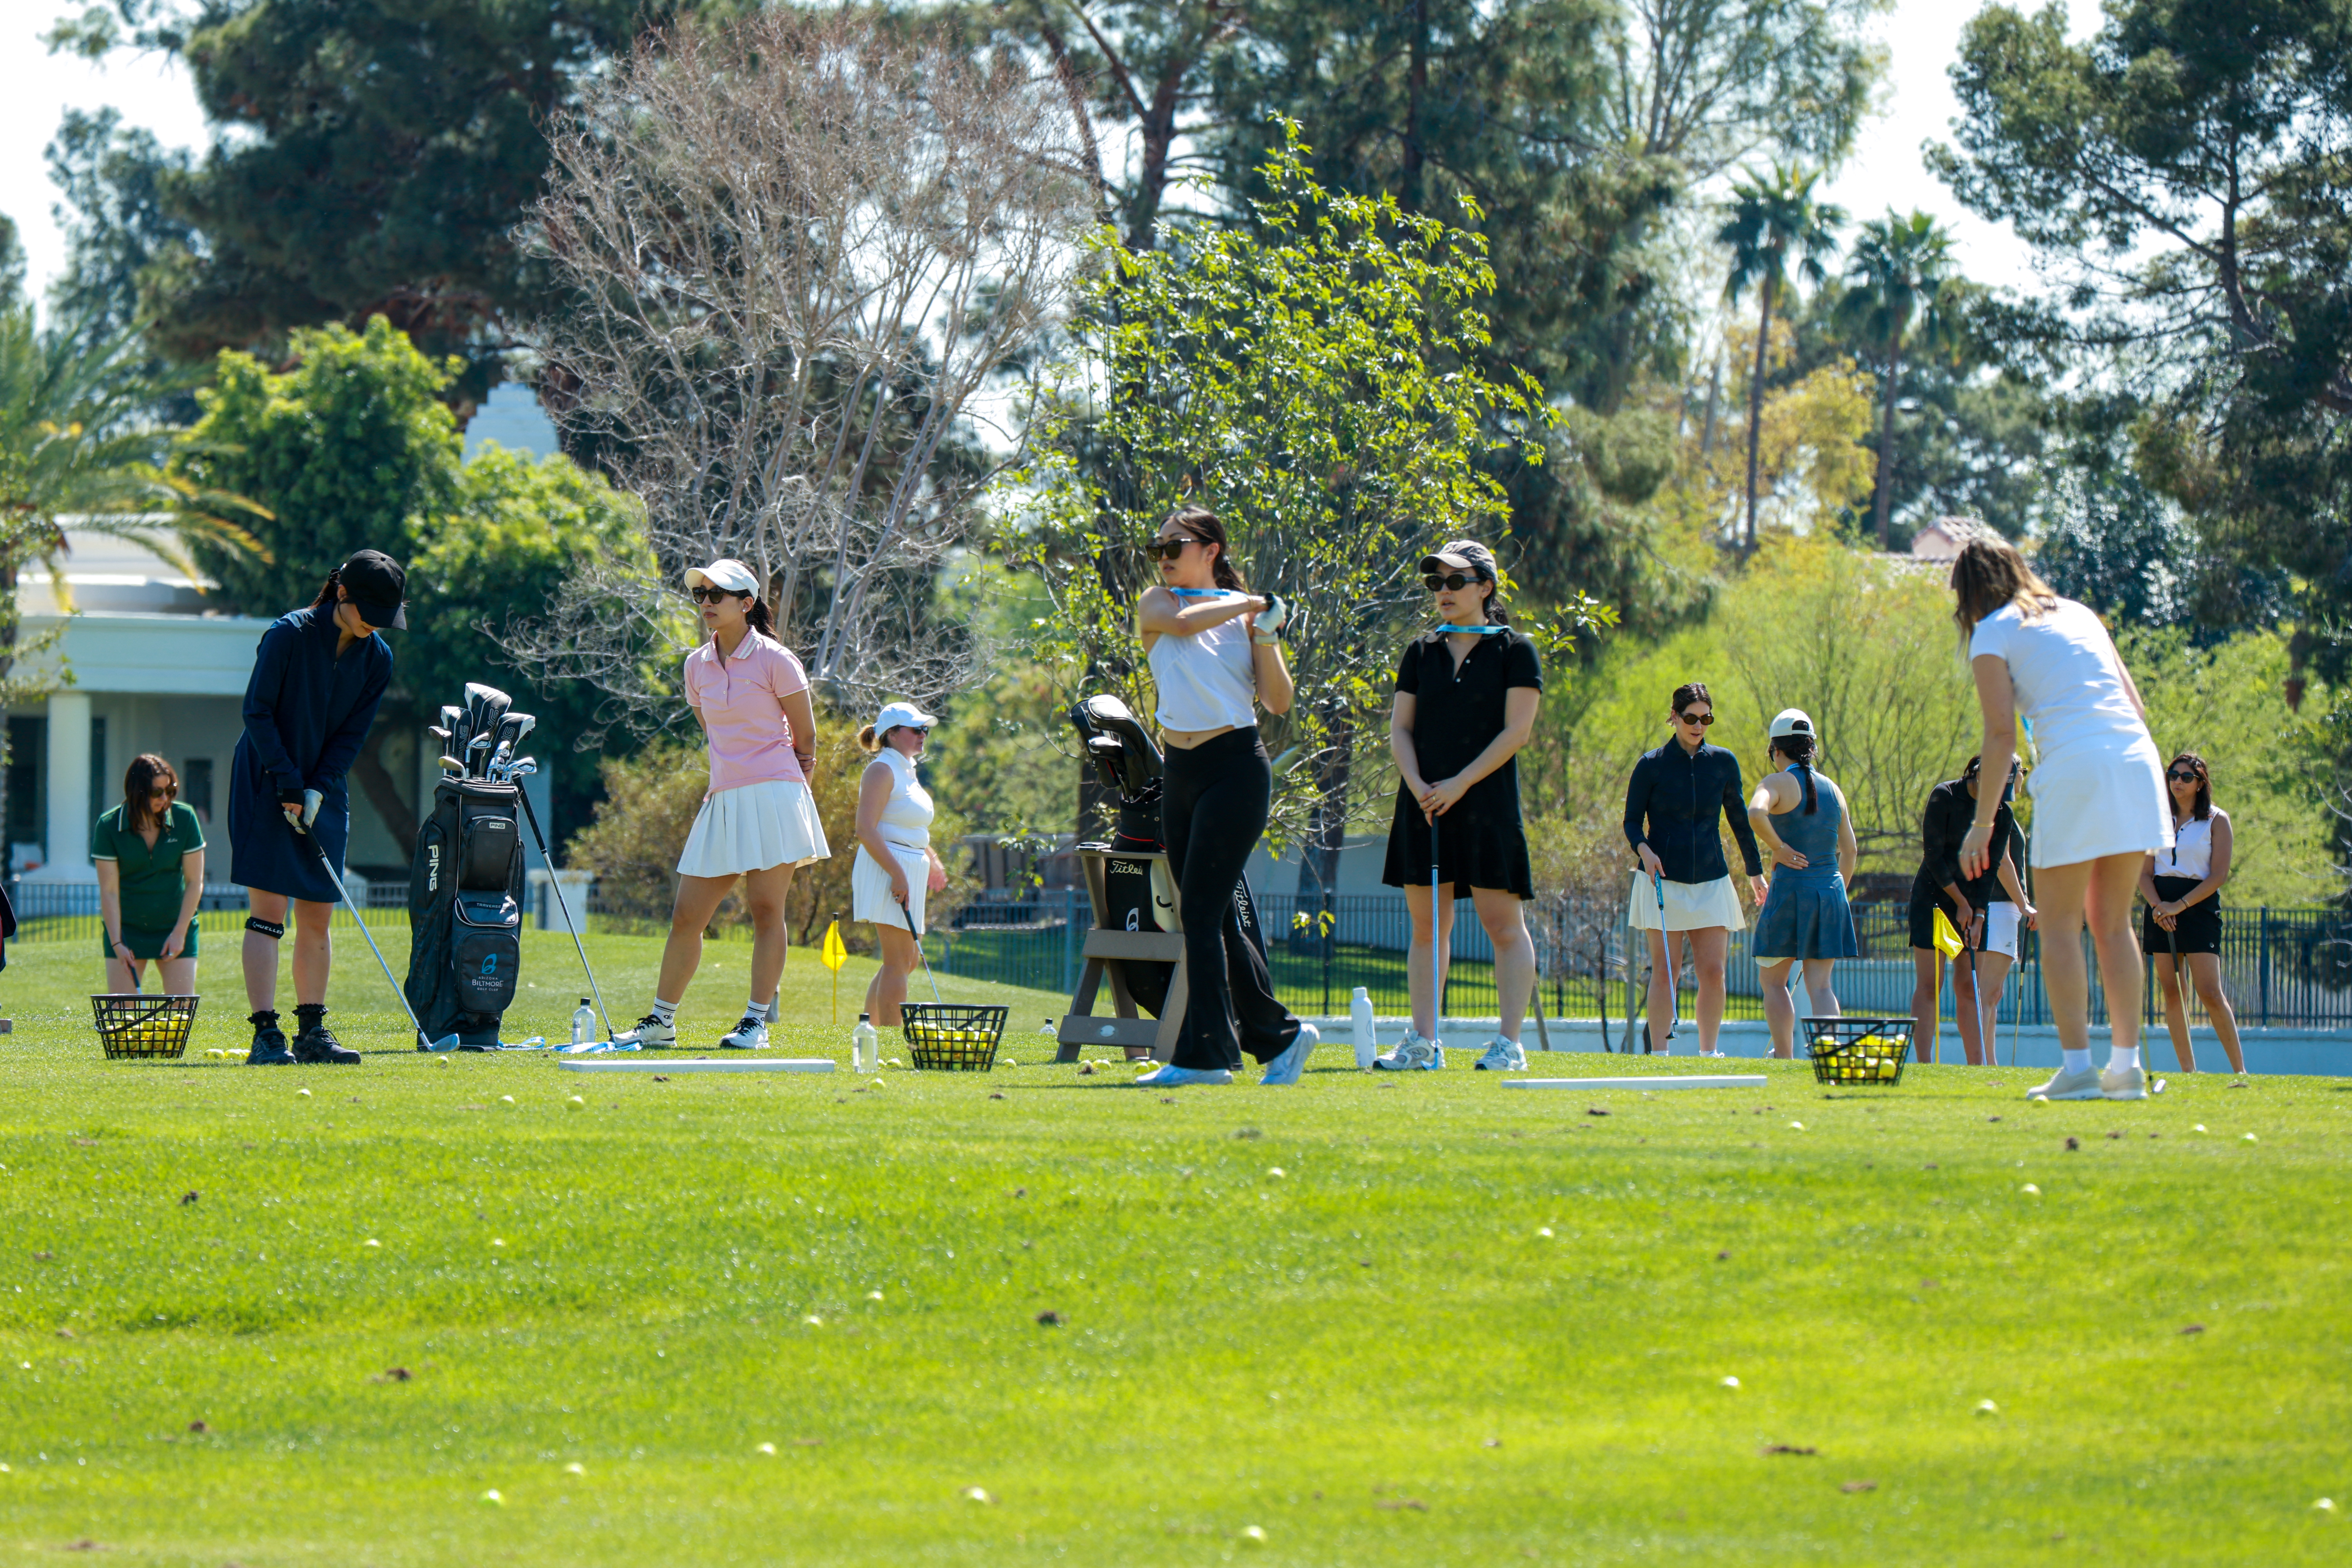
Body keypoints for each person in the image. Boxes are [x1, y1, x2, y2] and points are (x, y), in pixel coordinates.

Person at [1950, 532, 2170, 1101]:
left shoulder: (1991, 633)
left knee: (2061, 924)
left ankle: (2077, 1069)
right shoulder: (2079, 613)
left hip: (2078, 767)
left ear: (1969, 594)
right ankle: (2127, 1069)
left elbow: (2001, 735)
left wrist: (1981, 824)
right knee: (2113, 922)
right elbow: (2135, 706)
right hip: (2135, 759)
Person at [1131, 505, 1319, 1087]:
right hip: (1181, 771)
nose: (1162, 556)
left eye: (1175, 545)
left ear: (1210, 549)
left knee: (1202, 913)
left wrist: (1265, 637)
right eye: (1157, 547)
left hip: (1236, 769)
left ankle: (1205, 1057)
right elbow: (1186, 626)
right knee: (1213, 919)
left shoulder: (1244, 623)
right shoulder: (1158, 604)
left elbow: (1279, 702)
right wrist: (1256, 603)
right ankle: (1279, 1035)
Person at [617, 559, 829, 1052]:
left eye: (719, 593)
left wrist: (795, 794)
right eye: (702, 594)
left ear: (747, 604)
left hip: (778, 792)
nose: (708, 602)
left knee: (765, 908)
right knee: (688, 915)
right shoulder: (695, 665)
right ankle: (662, 1021)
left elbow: (807, 738)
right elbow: (712, 730)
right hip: (724, 797)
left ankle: (755, 1022)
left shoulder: (777, 659)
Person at [230, 548, 405, 1065]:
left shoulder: (377, 660)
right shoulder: (289, 635)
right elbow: (257, 712)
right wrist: (287, 783)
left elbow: (351, 735)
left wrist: (318, 787)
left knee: (318, 915)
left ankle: (312, 1032)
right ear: (342, 594)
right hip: (266, 777)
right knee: (268, 915)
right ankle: (266, 1035)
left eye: (384, 618)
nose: (375, 626)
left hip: (323, 788)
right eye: (368, 613)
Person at [1375, 539, 1544, 1072]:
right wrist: (1420, 783)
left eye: (1455, 582)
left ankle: (1509, 1046)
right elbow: (1400, 729)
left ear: (1485, 587)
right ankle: (1424, 1043)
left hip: (1486, 802)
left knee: (1503, 926)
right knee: (1427, 928)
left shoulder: (1516, 650)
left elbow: (1517, 732)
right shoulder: (1420, 651)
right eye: (1435, 583)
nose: (1442, 592)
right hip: (1424, 803)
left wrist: (1459, 783)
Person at [1622, 682, 1767, 1056]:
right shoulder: (1650, 765)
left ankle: (1708, 1053)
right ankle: (1659, 1055)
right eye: (1691, 718)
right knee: (1666, 971)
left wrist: (1755, 872)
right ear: (1674, 717)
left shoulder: (1723, 763)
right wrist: (1645, 851)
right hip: (1662, 879)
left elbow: (1738, 819)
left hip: (1712, 880)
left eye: (1706, 719)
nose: (1699, 725)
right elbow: (1632, 823)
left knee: (1714, 972)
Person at [1911, 756, 2038, 1065]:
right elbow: (1934, 855)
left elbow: (1993, 866)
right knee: (1931, 984)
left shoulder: (2002, 813)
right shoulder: (1945, 795)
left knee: (1970, 987)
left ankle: (1976, 1066)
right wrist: (1963, 902)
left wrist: (1979, 914)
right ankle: (1925, 1064)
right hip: (1934, 898)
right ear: (1981, 776)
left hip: (1972, 906)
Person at [1745, 710, 1858, 1059]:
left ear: (1775, 751)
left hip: (1790, 893)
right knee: (1821, 986)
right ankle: (1828, 1057)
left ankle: (1784, 1056)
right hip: (1830, 891)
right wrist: (1836, 893)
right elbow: (1850, 851)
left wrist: (1778, 848)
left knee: (1774, 982)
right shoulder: (1834, 789)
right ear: (1811, 749)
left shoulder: (1776, 783)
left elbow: (1754, 813)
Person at [2139, 751, 2249, 1076]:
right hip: (2160, 907)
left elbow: (2218, 876)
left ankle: (2240, 1072)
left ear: (2201, 783)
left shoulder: (2217, 820)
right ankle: (2189, 1072)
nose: (2178, 782)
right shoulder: (2156, 818)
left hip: (2197, 907)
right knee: (2173, 993)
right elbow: (2143, 874)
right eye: (2173, 775)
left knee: (2210, 992)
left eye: (2186, 777)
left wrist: (2179, 906)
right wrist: (2160, 907)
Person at [852, 701, 950, 1028]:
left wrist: (932, 859)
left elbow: (912, 827)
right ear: (892, 735)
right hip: (888, 867)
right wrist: (898, 874)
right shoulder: (882, 770)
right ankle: (893, 1038)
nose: (924, 735)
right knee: (897, 961)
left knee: (907, 961)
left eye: (925, 729)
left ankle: (868, 1028)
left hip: (909, 867)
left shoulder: (908, 769)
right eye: (916, 730)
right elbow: (865, 829)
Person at [93, 754, 205, 997]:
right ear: (138, 792)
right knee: (124, 1018)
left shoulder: (185, 818)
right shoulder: (109, 825)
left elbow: (195, 882)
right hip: (127, 930)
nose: (165, 799)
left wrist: (179, 933)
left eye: (170, 790)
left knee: (181, 1013)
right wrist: (117, 943)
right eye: (157, 792)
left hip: (175, 925)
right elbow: (109, 891)